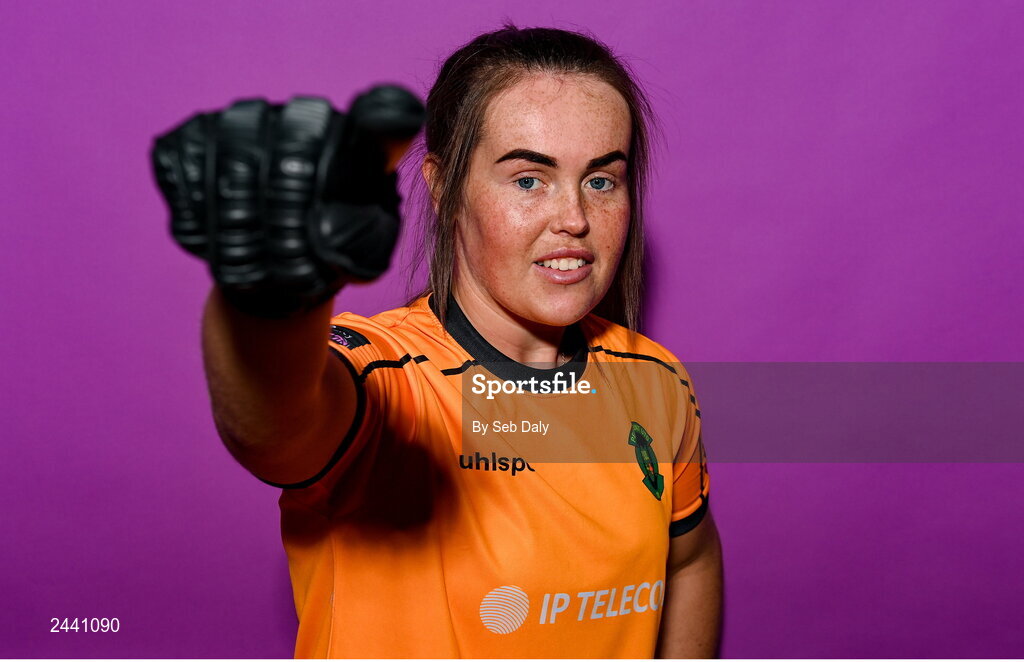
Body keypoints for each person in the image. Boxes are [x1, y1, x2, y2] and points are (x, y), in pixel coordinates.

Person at [161, 23, 722, 659]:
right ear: (445, 188)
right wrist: (268, 293)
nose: (574, 219)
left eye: (601, 180)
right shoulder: (389, 380)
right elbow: (273, 422)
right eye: (528, 179)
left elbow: (690, 558)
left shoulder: (656, 380)